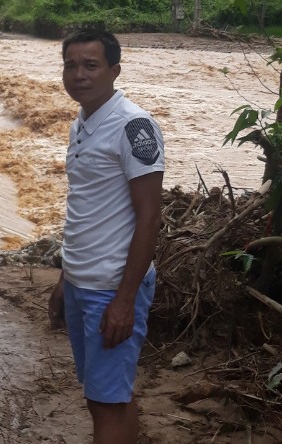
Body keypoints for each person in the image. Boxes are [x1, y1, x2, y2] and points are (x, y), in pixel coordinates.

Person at [47, 29, 164, 444]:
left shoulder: (133, 126)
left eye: (90, 65)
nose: (78, 74)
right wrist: (65, 278)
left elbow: (149, 216)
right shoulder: (82, 123)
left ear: (114, 70)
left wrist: (125, 299)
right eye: (71, 65)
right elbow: (86, 209)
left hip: (112, 288)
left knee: (107, 403)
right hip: (82, 283)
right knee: (105, 398)